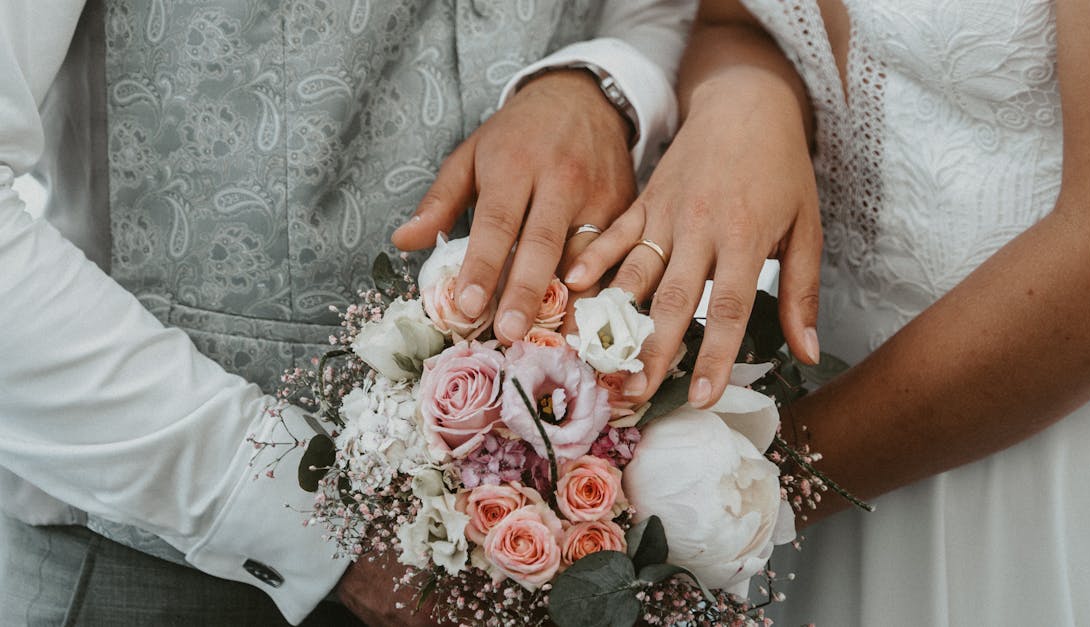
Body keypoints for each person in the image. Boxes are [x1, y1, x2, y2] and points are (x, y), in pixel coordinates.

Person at [0, 0, 693, 624]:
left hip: (570, 562)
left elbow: (667, 10)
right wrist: (297, 516)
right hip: (157, 576)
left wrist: (601, 84)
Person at [568, 0, 1090, 624]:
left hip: (1063, 462)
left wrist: (742, 486)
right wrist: (746, 97)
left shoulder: (753, 473)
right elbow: (731, 18)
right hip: (803, 402)